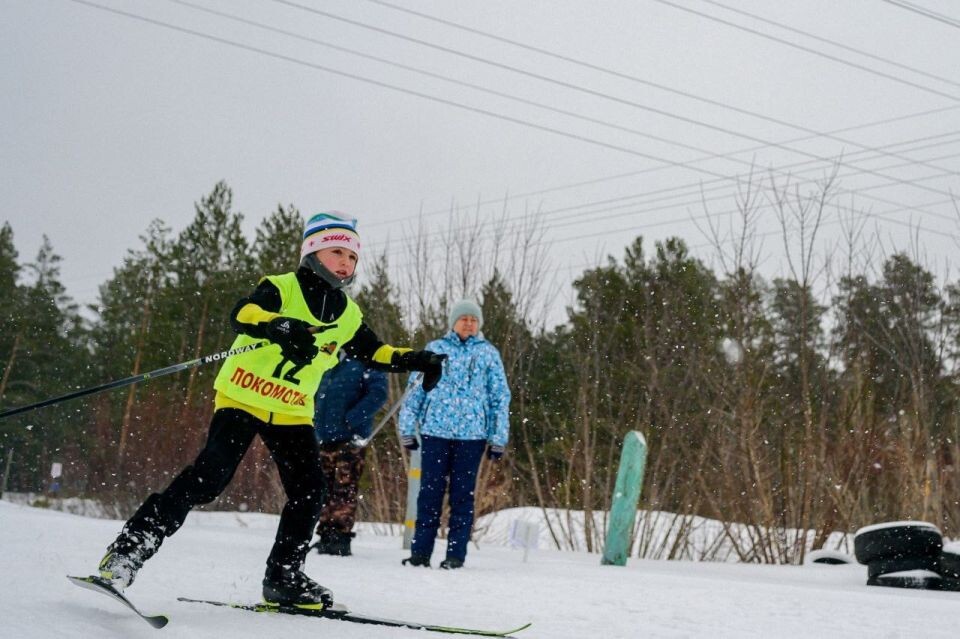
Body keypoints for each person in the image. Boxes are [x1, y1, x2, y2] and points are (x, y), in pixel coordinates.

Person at [96, 212, 446, 609]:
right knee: (209, 479)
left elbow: (375, 352)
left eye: (352, 257)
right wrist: (277, 324)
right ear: (313, 252)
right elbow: (242, 313)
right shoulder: (282, 287)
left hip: (292, 410)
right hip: (243, 397)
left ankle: (283, 577)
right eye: (337, 252)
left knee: (311, 490)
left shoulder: (348, 314)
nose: (346, 263)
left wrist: (418, 359)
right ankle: (127, 552)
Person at [398, 299, 511, 569]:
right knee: (429, 494)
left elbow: (500, 397)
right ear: (453, 322)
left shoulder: (488, 354)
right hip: (436, 432)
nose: (469, 323)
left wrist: (498, 437)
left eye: (474, 319)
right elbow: (414, 390)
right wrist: (406, 428)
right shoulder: (435, 350)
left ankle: (455, 555)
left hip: (472, 437)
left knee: (463, 496)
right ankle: (420, 553)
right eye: (464, 319)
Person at [311, 357, 388, 556]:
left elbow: (378, 394)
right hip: (324, 435)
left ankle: (340, 537)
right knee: (323, 487)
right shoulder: (328, 360)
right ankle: (325, 534)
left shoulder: (366, 361)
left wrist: (352, 418)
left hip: (351, 437)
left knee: (344, 487)